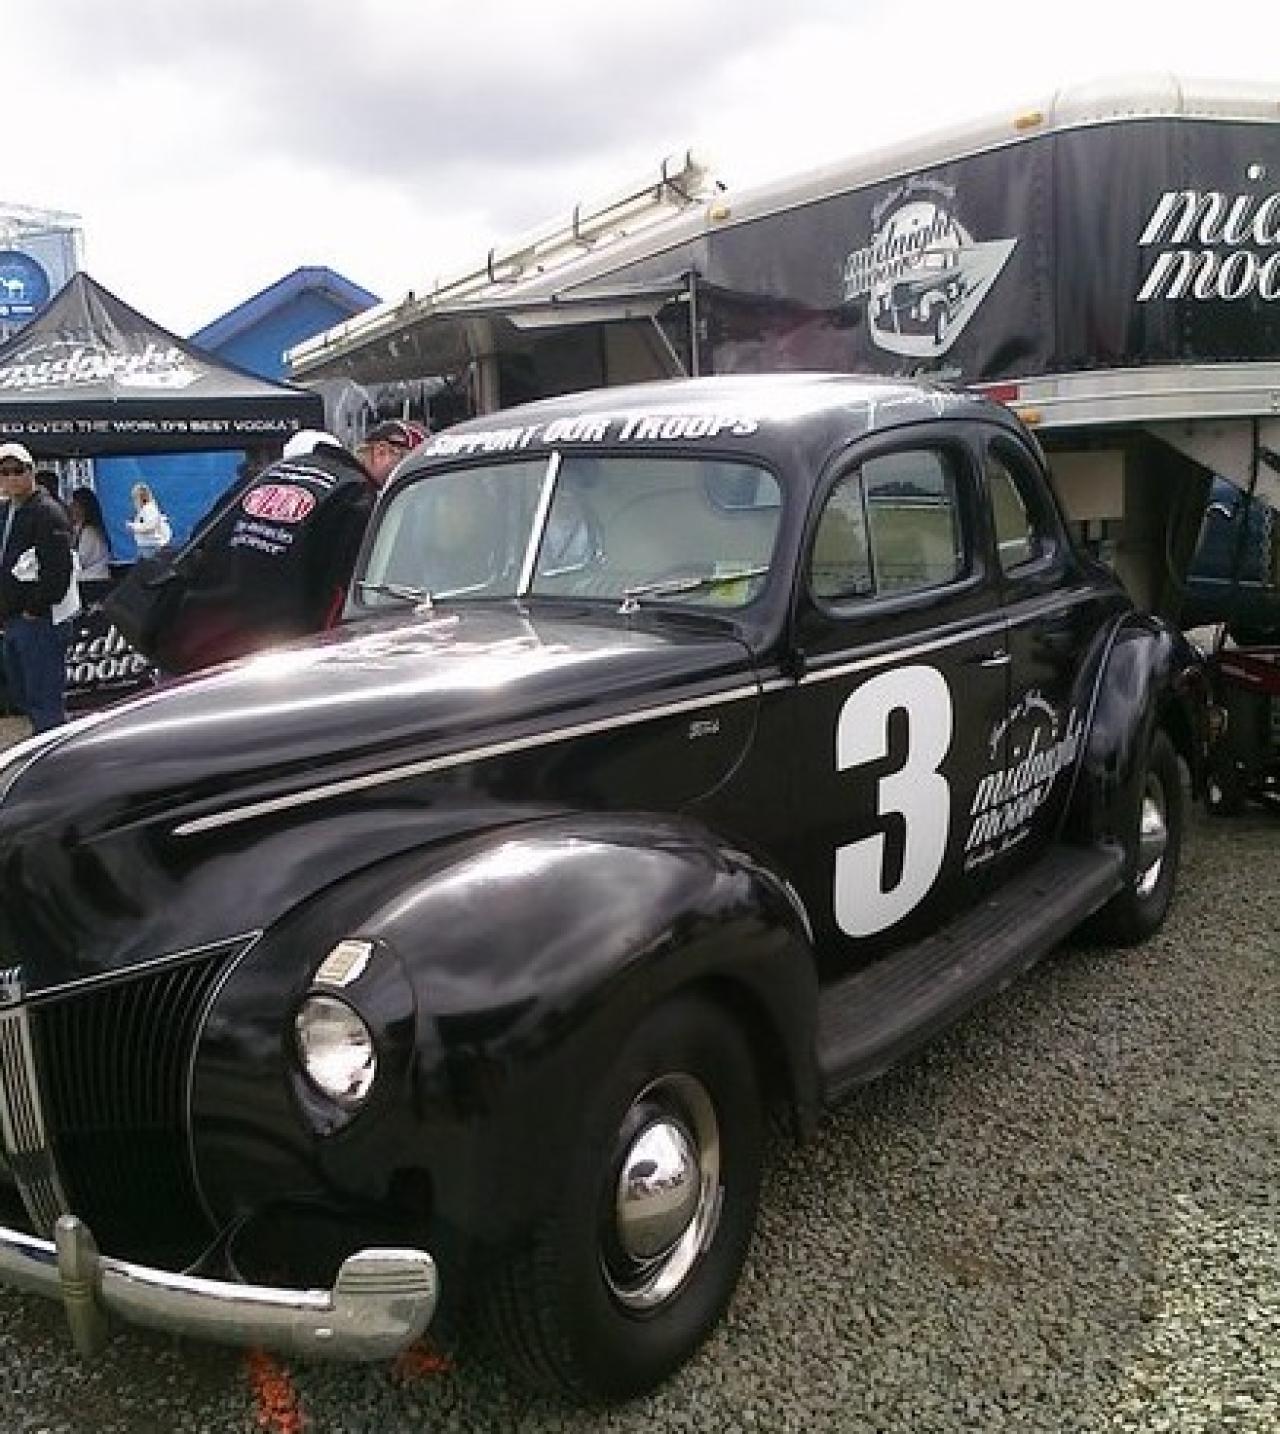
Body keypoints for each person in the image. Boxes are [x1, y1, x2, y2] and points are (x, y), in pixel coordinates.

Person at [141, 421, 426, 675]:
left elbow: (201, 540)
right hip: (272, 659)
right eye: (409, 462)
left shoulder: (267, 474)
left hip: (193, 643)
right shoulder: (357, 498)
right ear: (381, 452)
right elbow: (343, 596)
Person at [0, 442, 76, 732]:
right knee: (24, 694)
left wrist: (34, 609)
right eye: (4, 472)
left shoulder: (47, 512)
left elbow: (58, 570)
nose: (11, 478)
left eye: (17, 470)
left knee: (44, 699)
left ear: (31, 471)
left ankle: (55, 751)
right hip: (15, 618)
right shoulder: (10, 511)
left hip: (40, 620)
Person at [68, 486, 113, 593]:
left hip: (93, 581)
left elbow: (81, 560)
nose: (71, 508)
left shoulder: (89, 532)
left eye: (75, 505)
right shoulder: (79, 529)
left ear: (84, 508)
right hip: (88, 579)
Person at [127, 482, 172, 556]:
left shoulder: (149, 509)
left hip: (152, 546)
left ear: (140, 498)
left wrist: (133, 526)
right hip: (149, 545)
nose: (134, 502)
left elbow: (150, 526)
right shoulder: (146, 510)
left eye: (135, 498)